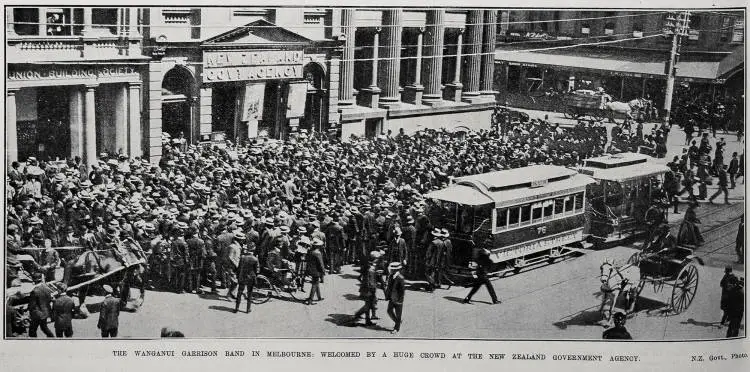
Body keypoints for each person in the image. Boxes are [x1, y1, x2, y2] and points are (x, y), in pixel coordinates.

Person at [353, 251, 383, 326]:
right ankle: (364, 318)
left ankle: (366, 318)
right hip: (369, 289)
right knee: (368, 304)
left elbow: (361, 277)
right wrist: (371, 288)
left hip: (368, 288)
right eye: (377, 258)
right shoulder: (371, 268)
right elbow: (369, 281)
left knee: (369, 304)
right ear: (375, 259)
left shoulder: (369, 266)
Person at [27, 273, 55, 338]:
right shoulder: (46, 288)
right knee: (44, 327)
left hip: (37, 314)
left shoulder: (34, 291)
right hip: (45, 312)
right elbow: (50, 299)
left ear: (33, 281)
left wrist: (29, 311)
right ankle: (52, 337)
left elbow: (32, 305)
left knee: (32, 330)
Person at [234, 242, 259, 314]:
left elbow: (239, 268)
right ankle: (248, 309)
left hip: (242, 276)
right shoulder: (255, 259)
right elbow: (257, 270)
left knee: (240, 292)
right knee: (250, 293)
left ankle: (237, 308)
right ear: (254, 249)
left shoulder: (242, 257)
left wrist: (238, 276)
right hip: (251, 277)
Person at [385, 262, 406, 334]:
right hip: (391, 297)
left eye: (392, 269)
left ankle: (397, 328)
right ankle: (398, 322)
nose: (390, 270)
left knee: (398, 314)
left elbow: (402, 291)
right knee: (389, 311)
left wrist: (400, 300)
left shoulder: (400, 278)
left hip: (398, 299)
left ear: (397, 270)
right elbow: (389, 287)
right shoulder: (391, 276)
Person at [305, 238, 326, 305]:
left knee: (316, 283)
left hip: (311, 269)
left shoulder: (311, 251)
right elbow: (321, 263)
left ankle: (319, 297)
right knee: (314, 284)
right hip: (317, 271)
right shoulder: (318, 253)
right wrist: (323, 271)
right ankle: (310, 300)